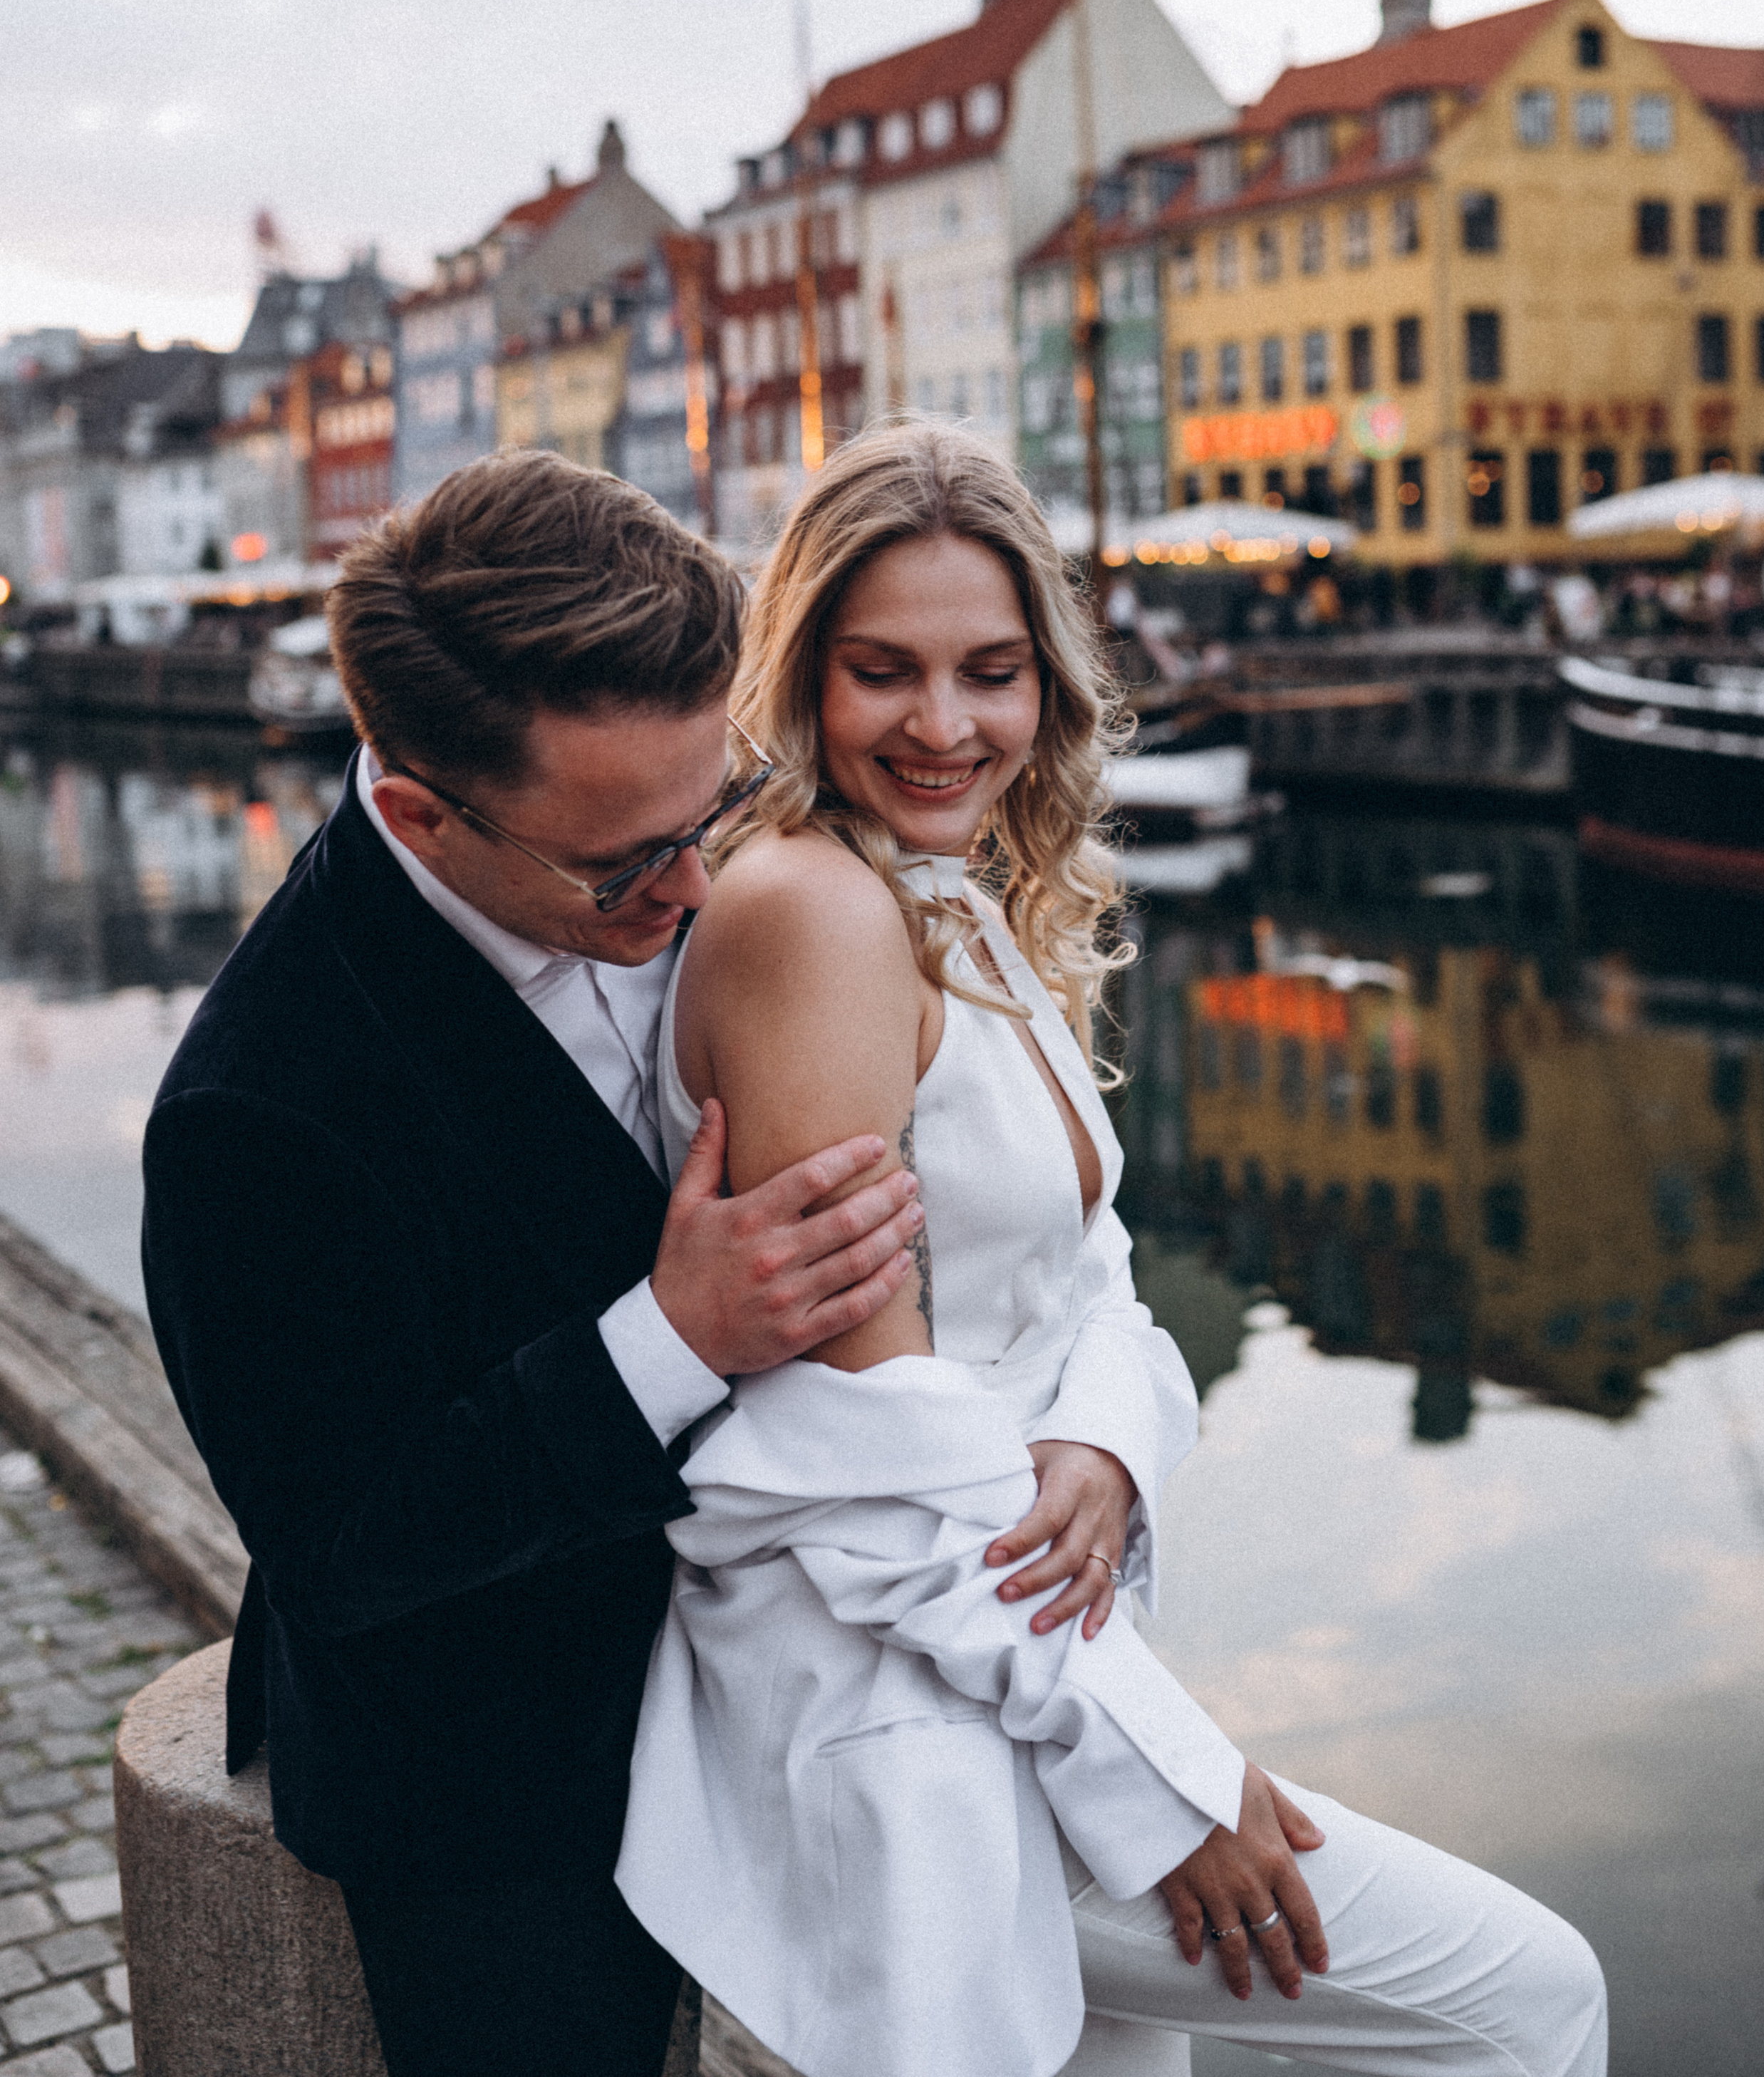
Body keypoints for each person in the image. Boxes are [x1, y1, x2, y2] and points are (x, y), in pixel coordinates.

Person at [616, 422, 1607, 2077]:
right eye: (882, 672)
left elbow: (1091, 1269)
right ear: (798, 676)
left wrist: (1105, 1437)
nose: (944, 725)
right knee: (1521, 1999)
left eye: (990, 671)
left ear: (1048, 682)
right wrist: (1163, 1777)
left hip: (1023, 1654)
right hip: (903, 1705)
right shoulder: (811, 912)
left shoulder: (950, 892)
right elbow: (860, 1446)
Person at [144, 452, 1079, 2077]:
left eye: (710, 807)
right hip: (506, 1772)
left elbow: (1051, 1221)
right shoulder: (259, 1102)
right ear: (421, 804)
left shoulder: (732, 876)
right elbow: (345, 1548)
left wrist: (1108, 1431)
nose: (697, 883)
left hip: (818, 1664)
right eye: (619, 864)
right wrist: (670, 1331)